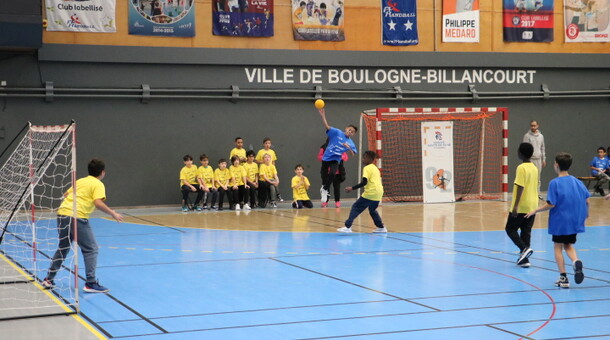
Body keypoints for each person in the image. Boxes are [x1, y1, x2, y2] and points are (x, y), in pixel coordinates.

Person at [41, 159, 124, 293]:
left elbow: (66, 194)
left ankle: (48, 279)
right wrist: (112, 213)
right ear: (103, 172)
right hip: (77, 216)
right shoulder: (98, 184)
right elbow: (97, 202)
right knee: (91, 249)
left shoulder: (80, 181)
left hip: (62, 214)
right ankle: (90, 283)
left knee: (63, 248)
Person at [525, 152, 590, 288]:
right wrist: (585, 215)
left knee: (557, 246)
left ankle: (563, 277)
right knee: (568, 245)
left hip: (560, 221)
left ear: (557, 165)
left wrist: (535, 210)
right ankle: (575, 261)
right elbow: (587, 200)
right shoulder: (577, 182)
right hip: (574, 221)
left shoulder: (554, 183)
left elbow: (551, 204)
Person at [505, 143, 539, 268]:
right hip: (533, 205)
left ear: (520, 153)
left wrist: (515, 206)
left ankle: (524, 249)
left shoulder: (521, 168)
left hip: (522, 205)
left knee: (510, 229)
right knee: (526, 231)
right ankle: (524, 260)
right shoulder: (534, 167)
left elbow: (520, 186)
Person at [338, 151, 387, 233]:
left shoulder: (367, 168)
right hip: (379, 193)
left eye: (364, 158)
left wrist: (352, 188)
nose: (363, 159)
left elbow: (364, 182)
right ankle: (381, 227)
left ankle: (347, 227)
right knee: (372, 210)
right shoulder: (375, 168)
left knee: (356, 207)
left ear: (369, 159)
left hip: (371, 192)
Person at [316, 107, 357, 204]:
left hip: (336, 159)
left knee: (333, 173)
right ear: (346, 129)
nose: (350, 132)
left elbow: (353, 154)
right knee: (324, 175)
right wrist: (323, 116)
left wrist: (349, 148)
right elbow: (327, 126)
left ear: (353, 134)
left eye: (352, 132)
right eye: (349, 130)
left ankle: (325, 189)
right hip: (326, 157)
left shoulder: (350, 142)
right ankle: (324, 188)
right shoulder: (337, 132)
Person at [318, 138, 348, 208]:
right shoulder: (323, 148)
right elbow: (319, 157)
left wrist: (340, 156)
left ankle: (337, 201)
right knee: (326, 187)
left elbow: (345, 157)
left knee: (337, 187)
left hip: (337, 172)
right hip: (326, 172)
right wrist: (327, 157)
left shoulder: (340, 148)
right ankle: (325, 201)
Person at [255, 137, 283, 202]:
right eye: (266, 143)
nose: (267, 144)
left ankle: (275, 198)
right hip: (263, 173)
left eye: (269, 143)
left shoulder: (272, 152)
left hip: (270, 171)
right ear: (263, 144)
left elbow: (273, 162)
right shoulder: (260, 151)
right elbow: (256, 161)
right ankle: (275, 197)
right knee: (270, 184)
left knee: (273, 185)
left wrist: (273, 170)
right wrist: (263, 162)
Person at [522, 120, 546, 196]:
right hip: (530, 160)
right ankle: (528, 193)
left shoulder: (541, 136)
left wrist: (543, 159)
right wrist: (526, 160)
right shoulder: (527, 136)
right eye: (531, 125)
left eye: (534, 125)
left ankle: (537, 194)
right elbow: (524, 148)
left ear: (537, 126)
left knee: (538, 177)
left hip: (538, 159)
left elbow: (543, 148)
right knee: (529, 177)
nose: (533, 127)